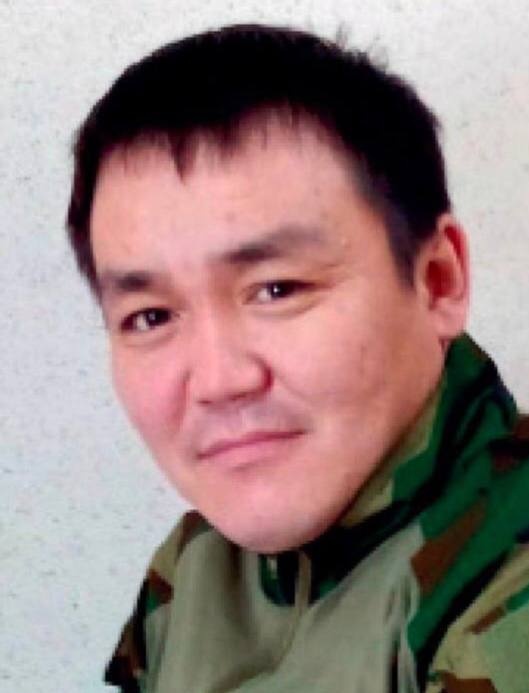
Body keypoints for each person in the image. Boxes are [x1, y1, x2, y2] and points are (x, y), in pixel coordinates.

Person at [66, 23, 529, 693]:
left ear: (437, 281)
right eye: (151, 317)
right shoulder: (195, 569)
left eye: (277, 289)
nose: (219, 380)